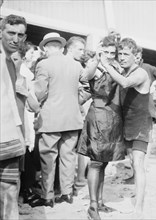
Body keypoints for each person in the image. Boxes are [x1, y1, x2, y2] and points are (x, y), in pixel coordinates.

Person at [29, 32, 99, 208]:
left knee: (48, 159)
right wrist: (76, 102)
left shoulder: (43, 64)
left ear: (45, 47)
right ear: (61, 47)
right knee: (68, 157)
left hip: (50, 119)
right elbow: (87, 88)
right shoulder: (75, 65)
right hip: (72, 118)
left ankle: (47, 196)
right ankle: (67, 194)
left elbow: (39, 92)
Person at [101, 37, 151, 218]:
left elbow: (124, 83)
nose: (121, 57)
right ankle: (137, 203)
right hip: (127, 126)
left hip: (140, 126)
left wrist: (106, 65)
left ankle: (139, 207)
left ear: (136, 56)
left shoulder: (140, 73)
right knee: (132, 163)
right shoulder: (125, 71)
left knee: (138, 165)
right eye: (120, 53)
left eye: (126, 54)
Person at [77, 36, 125, 220]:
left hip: (113, 118)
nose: (111, 55)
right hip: (97, 116)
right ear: (101, 50)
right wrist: (98, 59)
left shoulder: (116, 68)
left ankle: (100, 201)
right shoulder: (95, 67)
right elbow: (84, 77)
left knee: (104, 162)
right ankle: (92, 206)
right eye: (107, 51)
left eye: (113, 52)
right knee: (96, 162)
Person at [0, 14, 27, 220]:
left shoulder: (12, 62)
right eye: (11, 32)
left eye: (20, 34)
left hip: (10, 137)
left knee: (9, 189)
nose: (15, 39)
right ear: (1, 32)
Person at [11, 41, 41, 205]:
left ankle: (24, 191)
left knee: (24, 161)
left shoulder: (24, 79)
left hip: (23, 126)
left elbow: (35, 106)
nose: (12, 62)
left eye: (16, 59)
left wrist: (25, 93)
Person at [65, 36, 90, 196]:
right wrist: (79, 102)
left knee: (64, 153)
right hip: (72, 114)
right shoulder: (75, 66)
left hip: (62, 112)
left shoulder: (69, 64)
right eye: (80, 49)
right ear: (70, 48)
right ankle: (70, 188)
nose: (82, 53)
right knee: (69, 153)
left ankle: (61, 189)